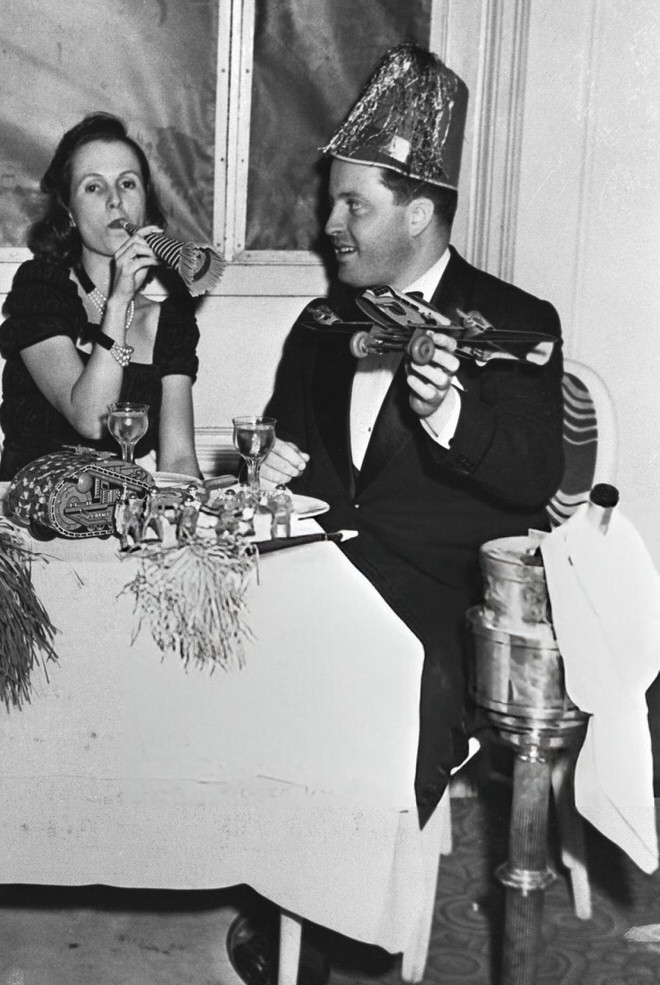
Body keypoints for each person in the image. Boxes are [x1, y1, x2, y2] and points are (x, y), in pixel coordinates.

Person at [231, 44, 565, 985]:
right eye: (332, 201)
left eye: (353, 205)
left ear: (418, 212)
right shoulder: (322, 323)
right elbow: (297, 460)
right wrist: (277, 466)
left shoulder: (515, 322)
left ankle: (344, 921)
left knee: (379, 688)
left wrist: (445, 411)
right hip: (321, 574)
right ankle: (272, 882)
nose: (328, 222)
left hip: (437, 599)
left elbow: (535, 474)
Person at [0, 113, 201, 481]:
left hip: (116, 513)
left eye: (128, 183)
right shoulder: (41, 290)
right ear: (69, 213)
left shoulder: (170, 322)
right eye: (93, 187)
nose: (115, 202)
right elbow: (91, 418)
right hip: (32, 519)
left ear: (145, 204)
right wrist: (119, 301)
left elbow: (180, 461)